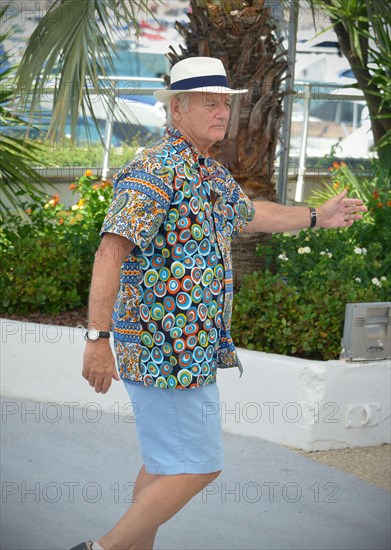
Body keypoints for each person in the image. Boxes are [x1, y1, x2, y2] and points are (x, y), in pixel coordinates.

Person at [70, 57, 366, 550]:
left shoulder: (206, 171)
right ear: (177, 111)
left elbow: (253, 214)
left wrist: (318, 214)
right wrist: (97, 341)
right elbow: (110, 250)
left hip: (186, 352)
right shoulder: (155, 169)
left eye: (225, 103)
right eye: (209, 102)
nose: (221, 112)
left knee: (167, 463)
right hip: (165, 350)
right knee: (199, 464)